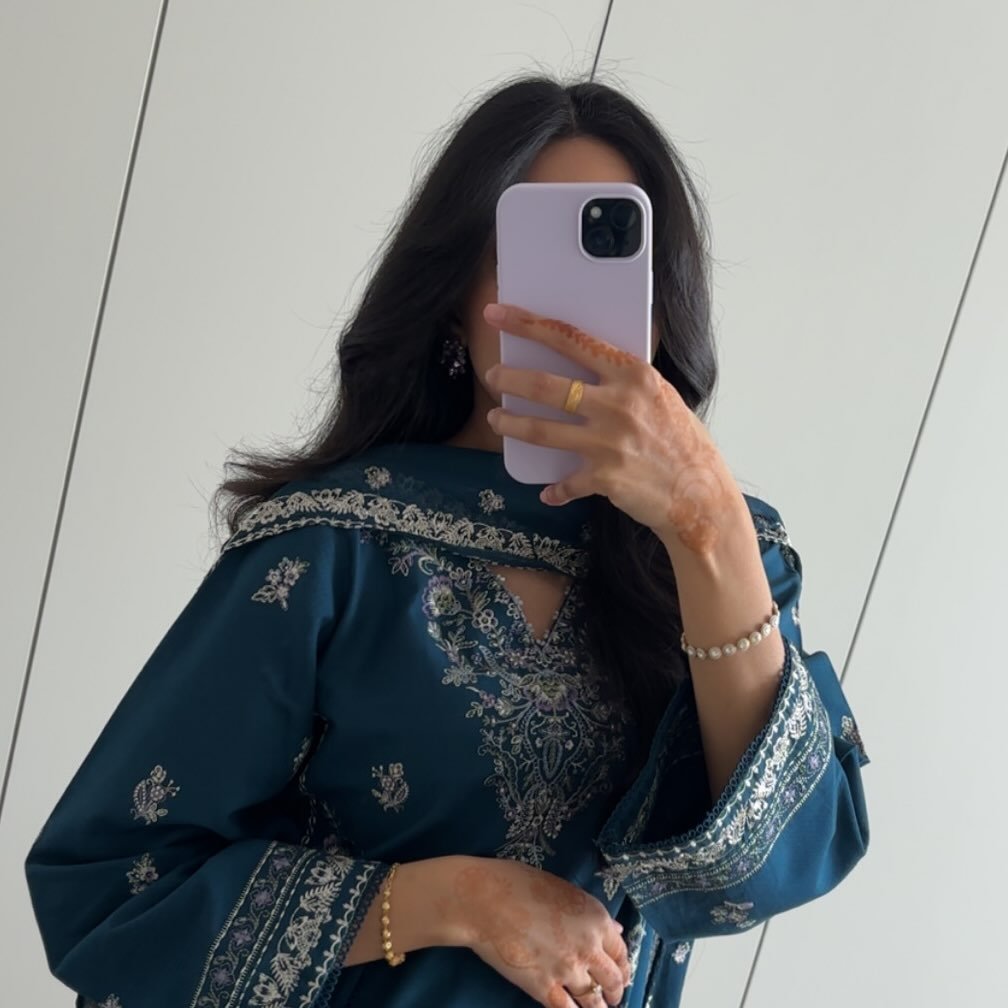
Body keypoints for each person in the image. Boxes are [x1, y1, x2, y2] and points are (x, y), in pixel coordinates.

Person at [24, 74, 870, 1008]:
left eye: (613, 258)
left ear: (663, 303)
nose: (569, 309)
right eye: (530, 255)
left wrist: (705, 522)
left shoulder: (727, 557)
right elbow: (109, 892)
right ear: (453, 297)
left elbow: (773, 872)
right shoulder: (330, 550)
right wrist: (451, 901)